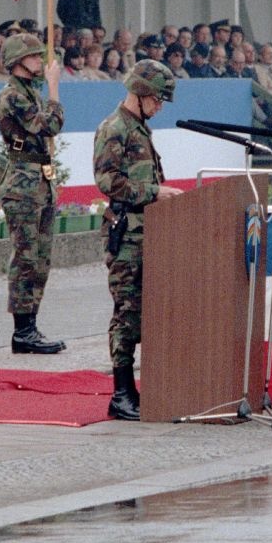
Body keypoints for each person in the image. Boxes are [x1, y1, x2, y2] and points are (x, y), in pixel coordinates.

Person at [93, 59, 183, 420]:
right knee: (127, 312)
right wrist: (154, 192)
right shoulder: (115, 128)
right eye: (157, 99)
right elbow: (107, 182)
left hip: (147, 233)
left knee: (146, 311)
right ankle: (121, 392)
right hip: (127, 234)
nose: (159, 107)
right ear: (142, 93)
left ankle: (137, 390)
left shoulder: (139, 128)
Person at [0, 32, 67, 355]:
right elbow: (48, 125)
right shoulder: (12, 96)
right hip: (23, 184)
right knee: (26, 257)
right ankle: (22, 332)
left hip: (38, 179)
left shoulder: (27, 93)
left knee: (40, 258)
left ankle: (31, 326)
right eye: (35, 56)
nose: (41, 61)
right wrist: (54, 87)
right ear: (18, 61)